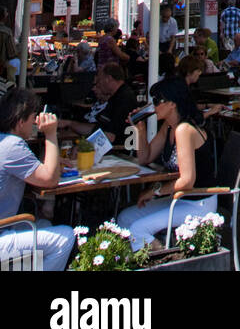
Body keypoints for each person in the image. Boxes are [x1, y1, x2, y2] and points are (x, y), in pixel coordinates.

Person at [116, 79, 218, 249]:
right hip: (179, 199)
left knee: (137, 230)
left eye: (157, 101)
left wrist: (155, 192)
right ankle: (154, 255)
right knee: (125, 218)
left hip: (198, 202)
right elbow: (145, 158)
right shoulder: (168, 127)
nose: (153, 106)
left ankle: (163, 261)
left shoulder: (184, 130)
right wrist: (140, 131)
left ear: (172, 103)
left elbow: (187, 181)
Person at [0, 89, 76, 271]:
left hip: (7, 226)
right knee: (65, 237)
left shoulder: (5, 142)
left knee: (44, 224)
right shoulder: (13, 145)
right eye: (33, 117)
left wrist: (51, 164)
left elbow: (35, 171)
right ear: (20, 122)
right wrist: (51, 133)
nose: (35, 123)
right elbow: (50, 179)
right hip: (2, 232)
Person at [58, 62, 137, 145]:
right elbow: (98, 128)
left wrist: (83, 147)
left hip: (117, 152)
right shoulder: (117, 97)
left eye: (99, 81)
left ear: (108, 79)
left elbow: (110, 136)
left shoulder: (123, 99)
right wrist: (69, 123)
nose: (98, 85)